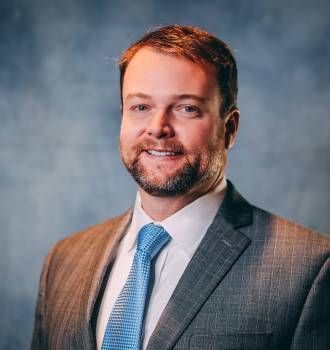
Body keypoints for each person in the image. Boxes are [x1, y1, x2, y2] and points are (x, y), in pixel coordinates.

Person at [31, 25, 330, 350]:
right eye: (141, 107)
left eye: (187, 108)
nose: (158, 128)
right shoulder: (63, 261)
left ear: (229, 128)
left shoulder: (310, 269)